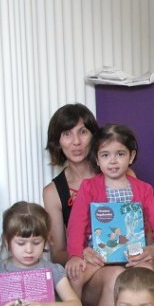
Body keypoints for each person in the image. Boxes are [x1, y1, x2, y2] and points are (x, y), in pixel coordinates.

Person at [66, 124, 154, 306]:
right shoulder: (89, 187)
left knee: (152, 280)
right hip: (99, 259)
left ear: (131, 157)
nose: (113, 161)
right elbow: (76, 224)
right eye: (105, 155)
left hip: (134, 258)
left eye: (120, 154)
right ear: (96, 158)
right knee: (74, 275)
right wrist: (77, 253)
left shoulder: (142, 189)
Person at [42, 103, 99, 265]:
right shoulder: (53, 192)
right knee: (115, 276)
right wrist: (80, 254)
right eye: (67, 134)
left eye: (83, 132)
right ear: (58, 142)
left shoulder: (119, 173)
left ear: (94, 136)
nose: (76, 142)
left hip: (125, 259)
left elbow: (144, 228)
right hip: (85, 269)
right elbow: (58, 254)